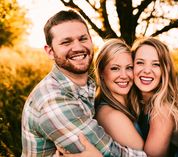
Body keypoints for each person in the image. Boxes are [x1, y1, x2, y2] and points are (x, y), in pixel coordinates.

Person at [21, 9, 146, 156]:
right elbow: (109, 152)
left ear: (91, 41)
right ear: (50, 51)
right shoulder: (53, 100)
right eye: (66, 42)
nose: (78, 47)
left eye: (82, 39)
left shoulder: (86, 87)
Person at [130, 37, 178, 156]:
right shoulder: (138, 103)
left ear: (165, 71)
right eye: (140, 62)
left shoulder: (162, 112)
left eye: (156, 64)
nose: (147, 70)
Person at [94, 38, 144, 150]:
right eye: (115, 68)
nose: (124, 75)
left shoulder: (131, 105)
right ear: (101, 72)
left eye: (129, 68)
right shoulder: (112, 117)